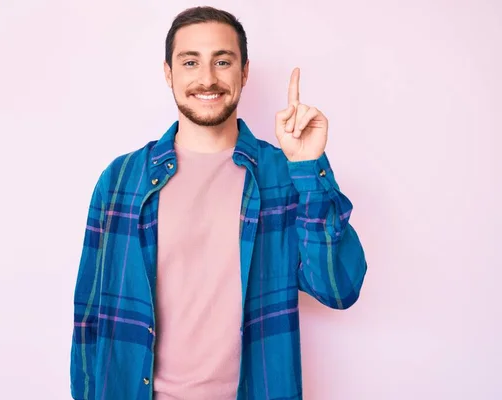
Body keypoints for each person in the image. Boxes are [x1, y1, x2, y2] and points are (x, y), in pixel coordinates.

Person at [70, 6, 367, 400]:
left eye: (222, 61)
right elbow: (90, 315)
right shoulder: (122, 179)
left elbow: (338, 288)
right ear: (168, 72)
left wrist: (309, 167)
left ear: (244, 73)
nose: (207, 78)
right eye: (190, 61)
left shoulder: (284, 174)